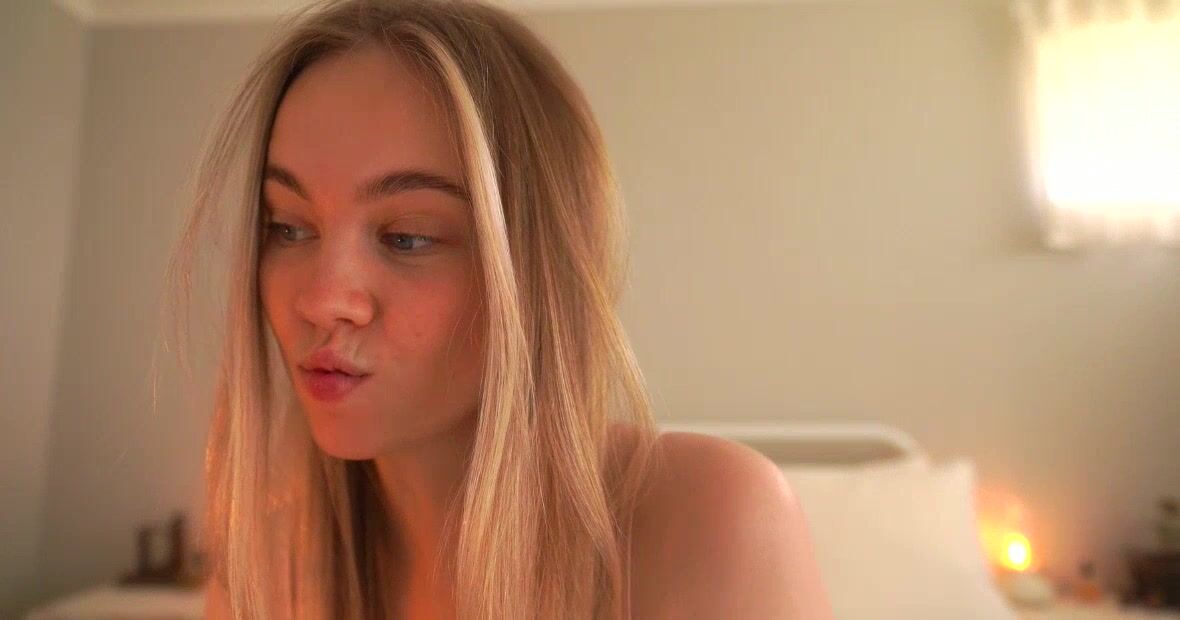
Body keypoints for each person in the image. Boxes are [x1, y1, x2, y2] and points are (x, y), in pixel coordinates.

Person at [165, 0, 832, 617]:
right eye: (288, 227)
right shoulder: (268, 558)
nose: (320, 300)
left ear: (537, 270)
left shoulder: (707, 521)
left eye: (408, 237)